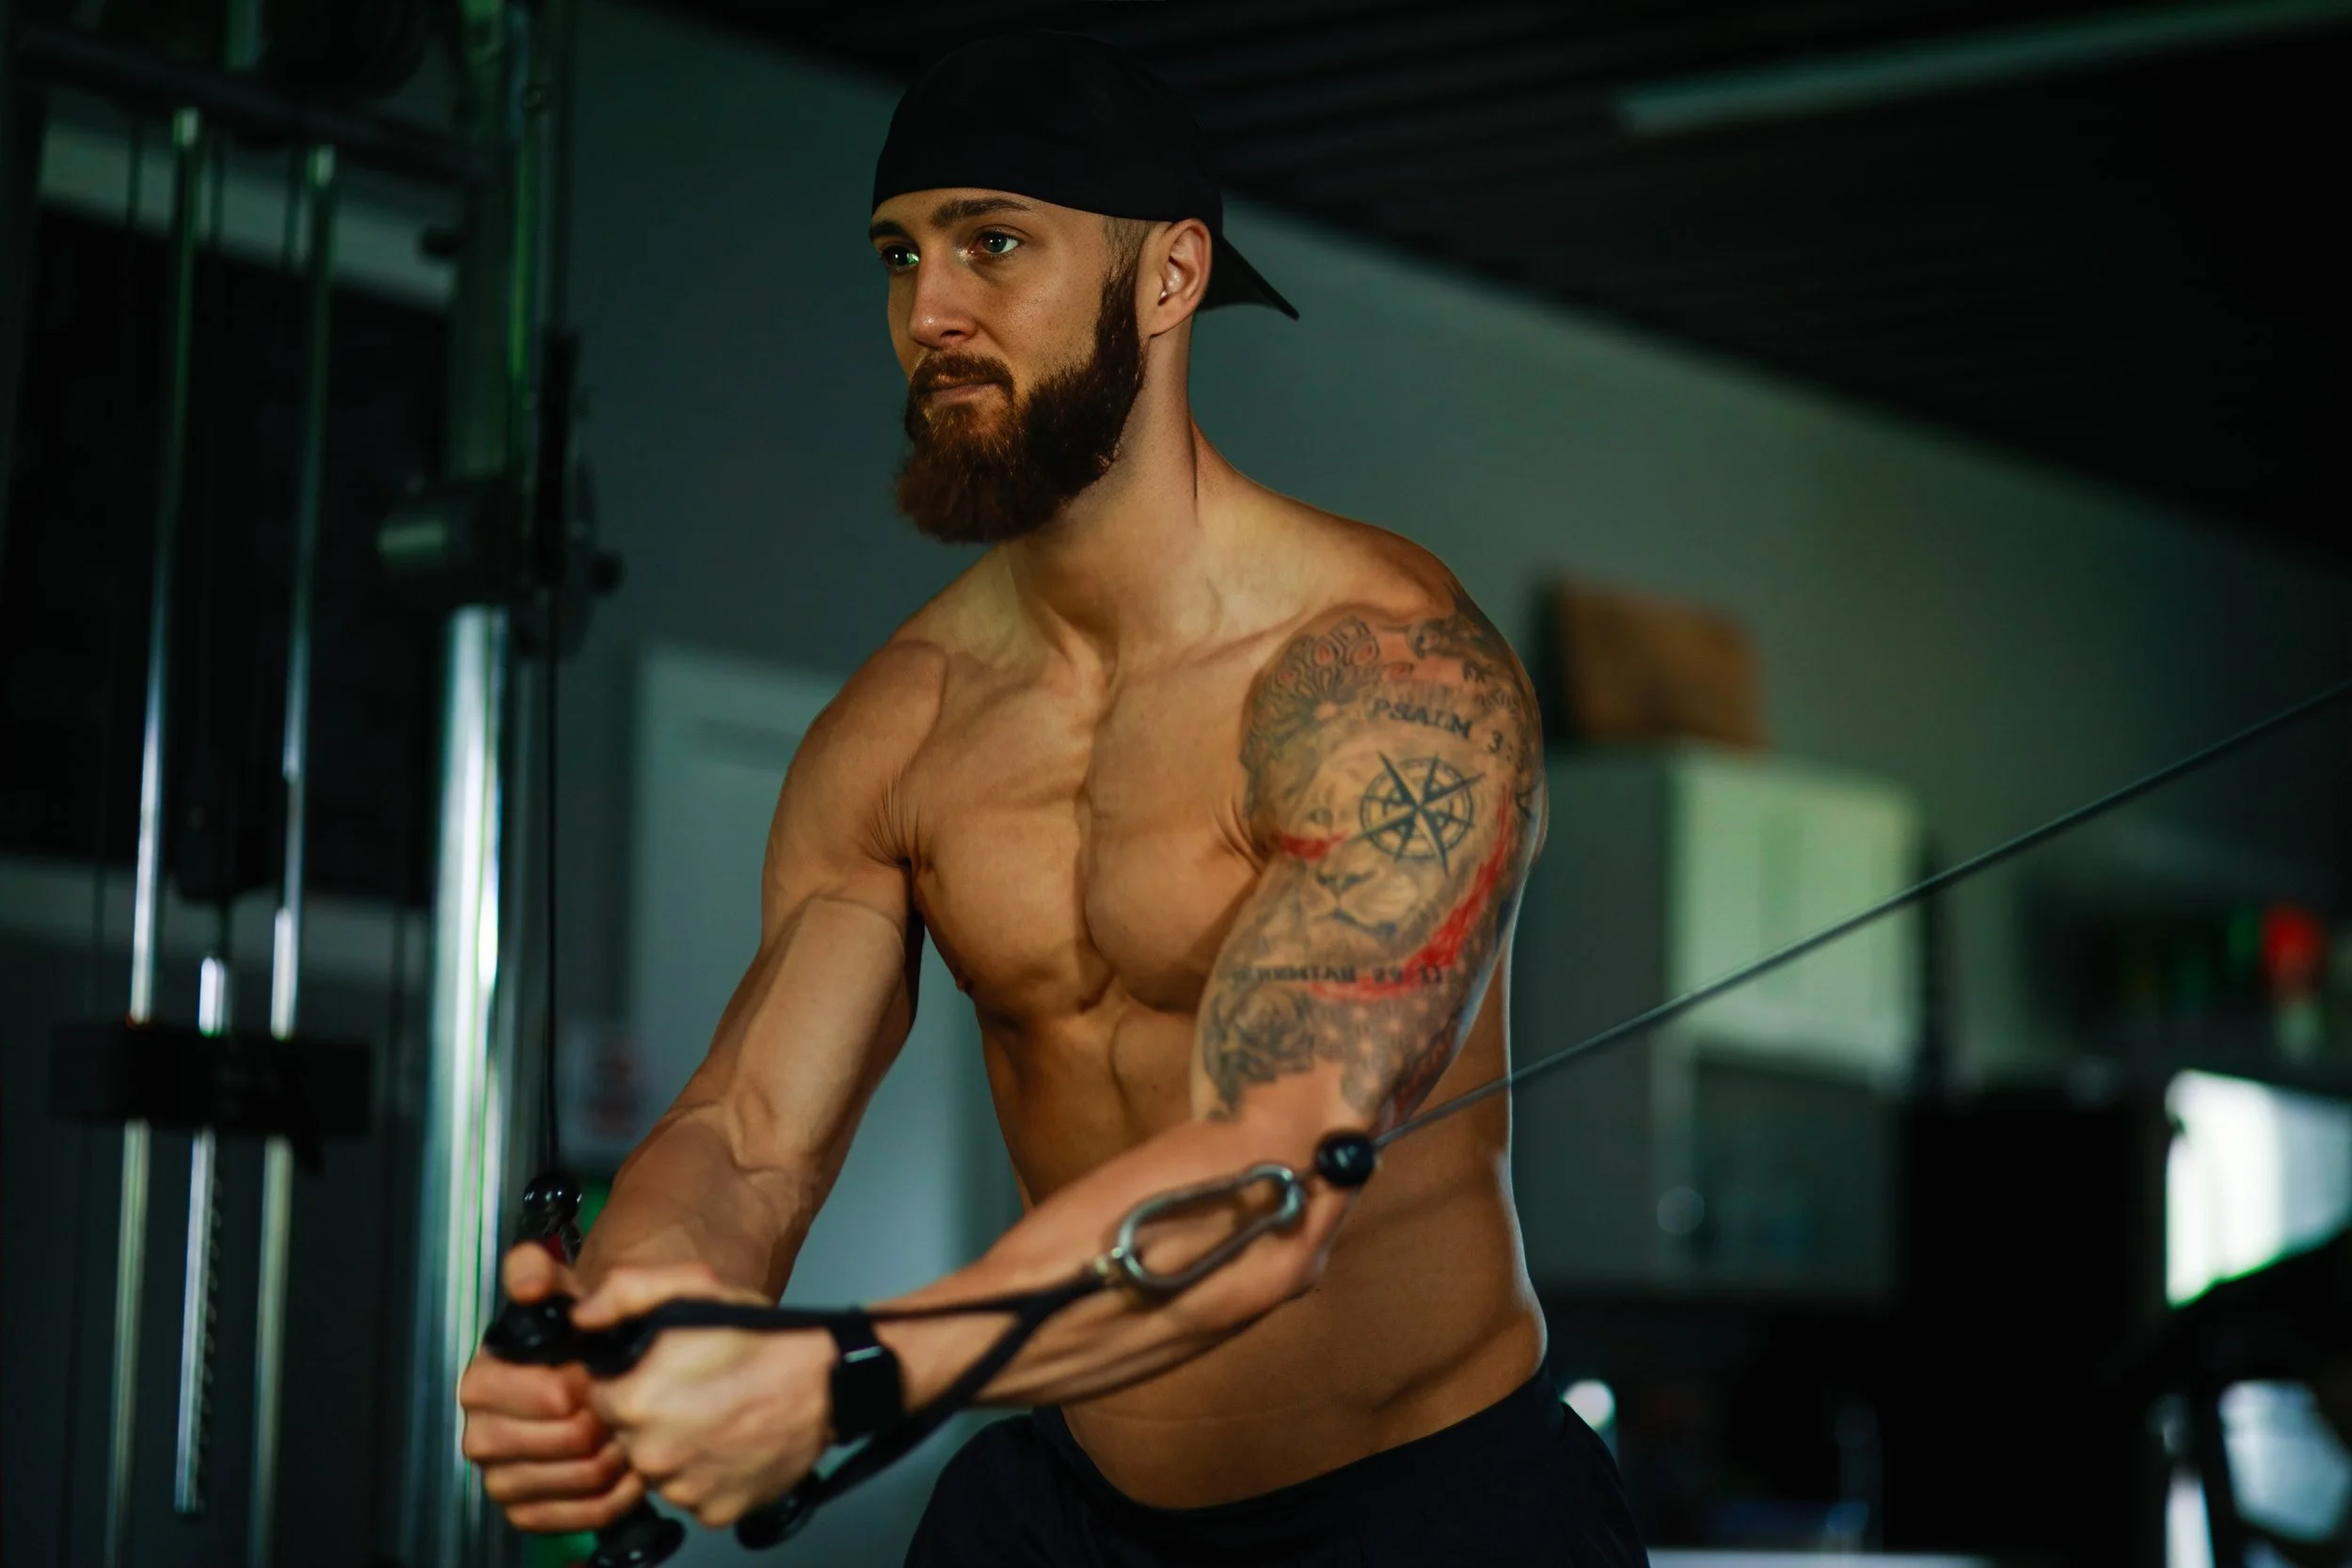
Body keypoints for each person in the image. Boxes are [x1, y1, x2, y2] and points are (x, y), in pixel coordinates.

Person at [458, 30, 1645, 1566]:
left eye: (993, 244)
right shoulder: (899, 729)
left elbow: (1277, 1172)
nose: (927, 312)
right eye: (900, 254)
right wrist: (631, 1331)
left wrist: (852, 1377)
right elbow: (749, 1135)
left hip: (1430, 1510)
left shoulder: (1385, 671)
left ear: (1168, 278)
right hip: (1065, 1512)